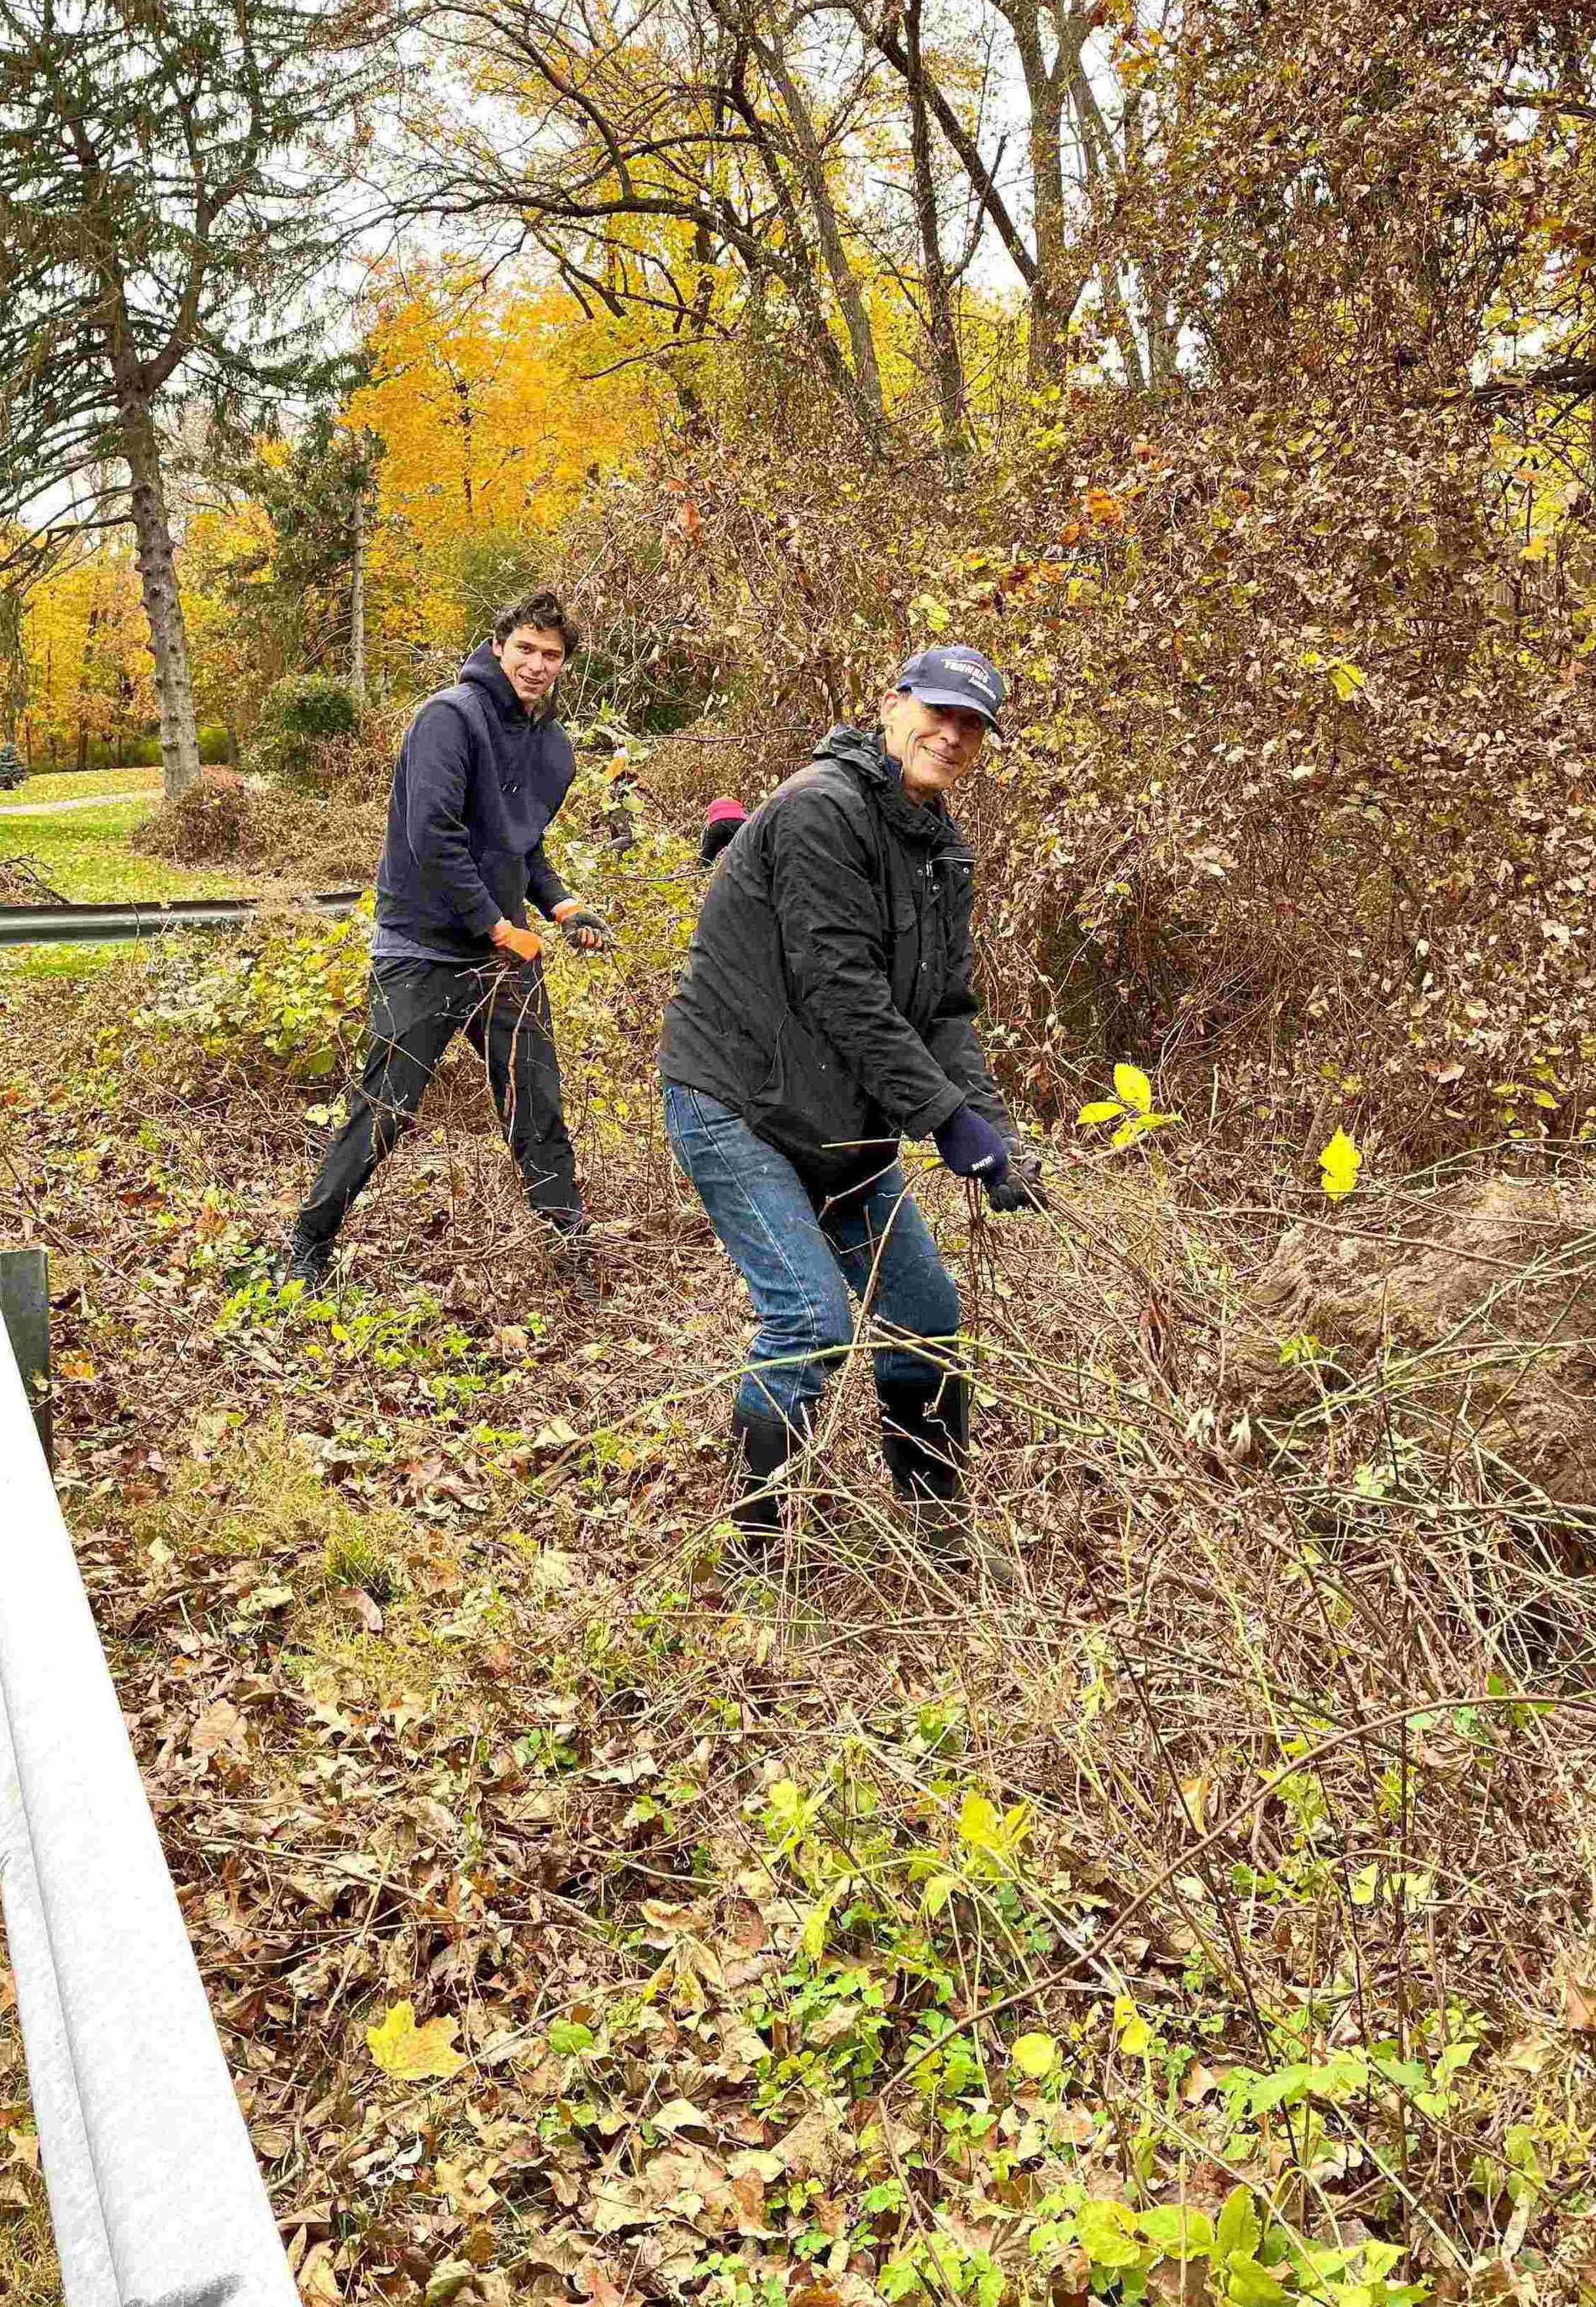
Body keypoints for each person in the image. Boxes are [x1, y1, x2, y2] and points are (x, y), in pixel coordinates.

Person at [658, 645, 1046, 1576]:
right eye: (937, 712)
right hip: (737, 1101)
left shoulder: (943, 848)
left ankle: (937, 1534)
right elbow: (843, 989)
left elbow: (945, 1010)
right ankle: (755, 1545)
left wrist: (989, 1132)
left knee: (926, 1315)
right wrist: (944, 1123)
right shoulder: (819, 808)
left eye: (972, 725)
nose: (950, 735)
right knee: (811, 1322)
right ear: (891, 706)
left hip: (843, 1121)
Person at [278, 593, 610, 1287]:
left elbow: (524, 847)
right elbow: (433, 835)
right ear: (498, 644)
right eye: (526, 647)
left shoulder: (551, 747)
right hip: (423, 946)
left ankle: (570, 1248)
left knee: (536, 1100)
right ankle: (306, 1243)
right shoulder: (448, 719)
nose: (537, 664)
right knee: (386, 1107)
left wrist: (561, 905)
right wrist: (496, 924)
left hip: (502, 949)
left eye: (552, 654)